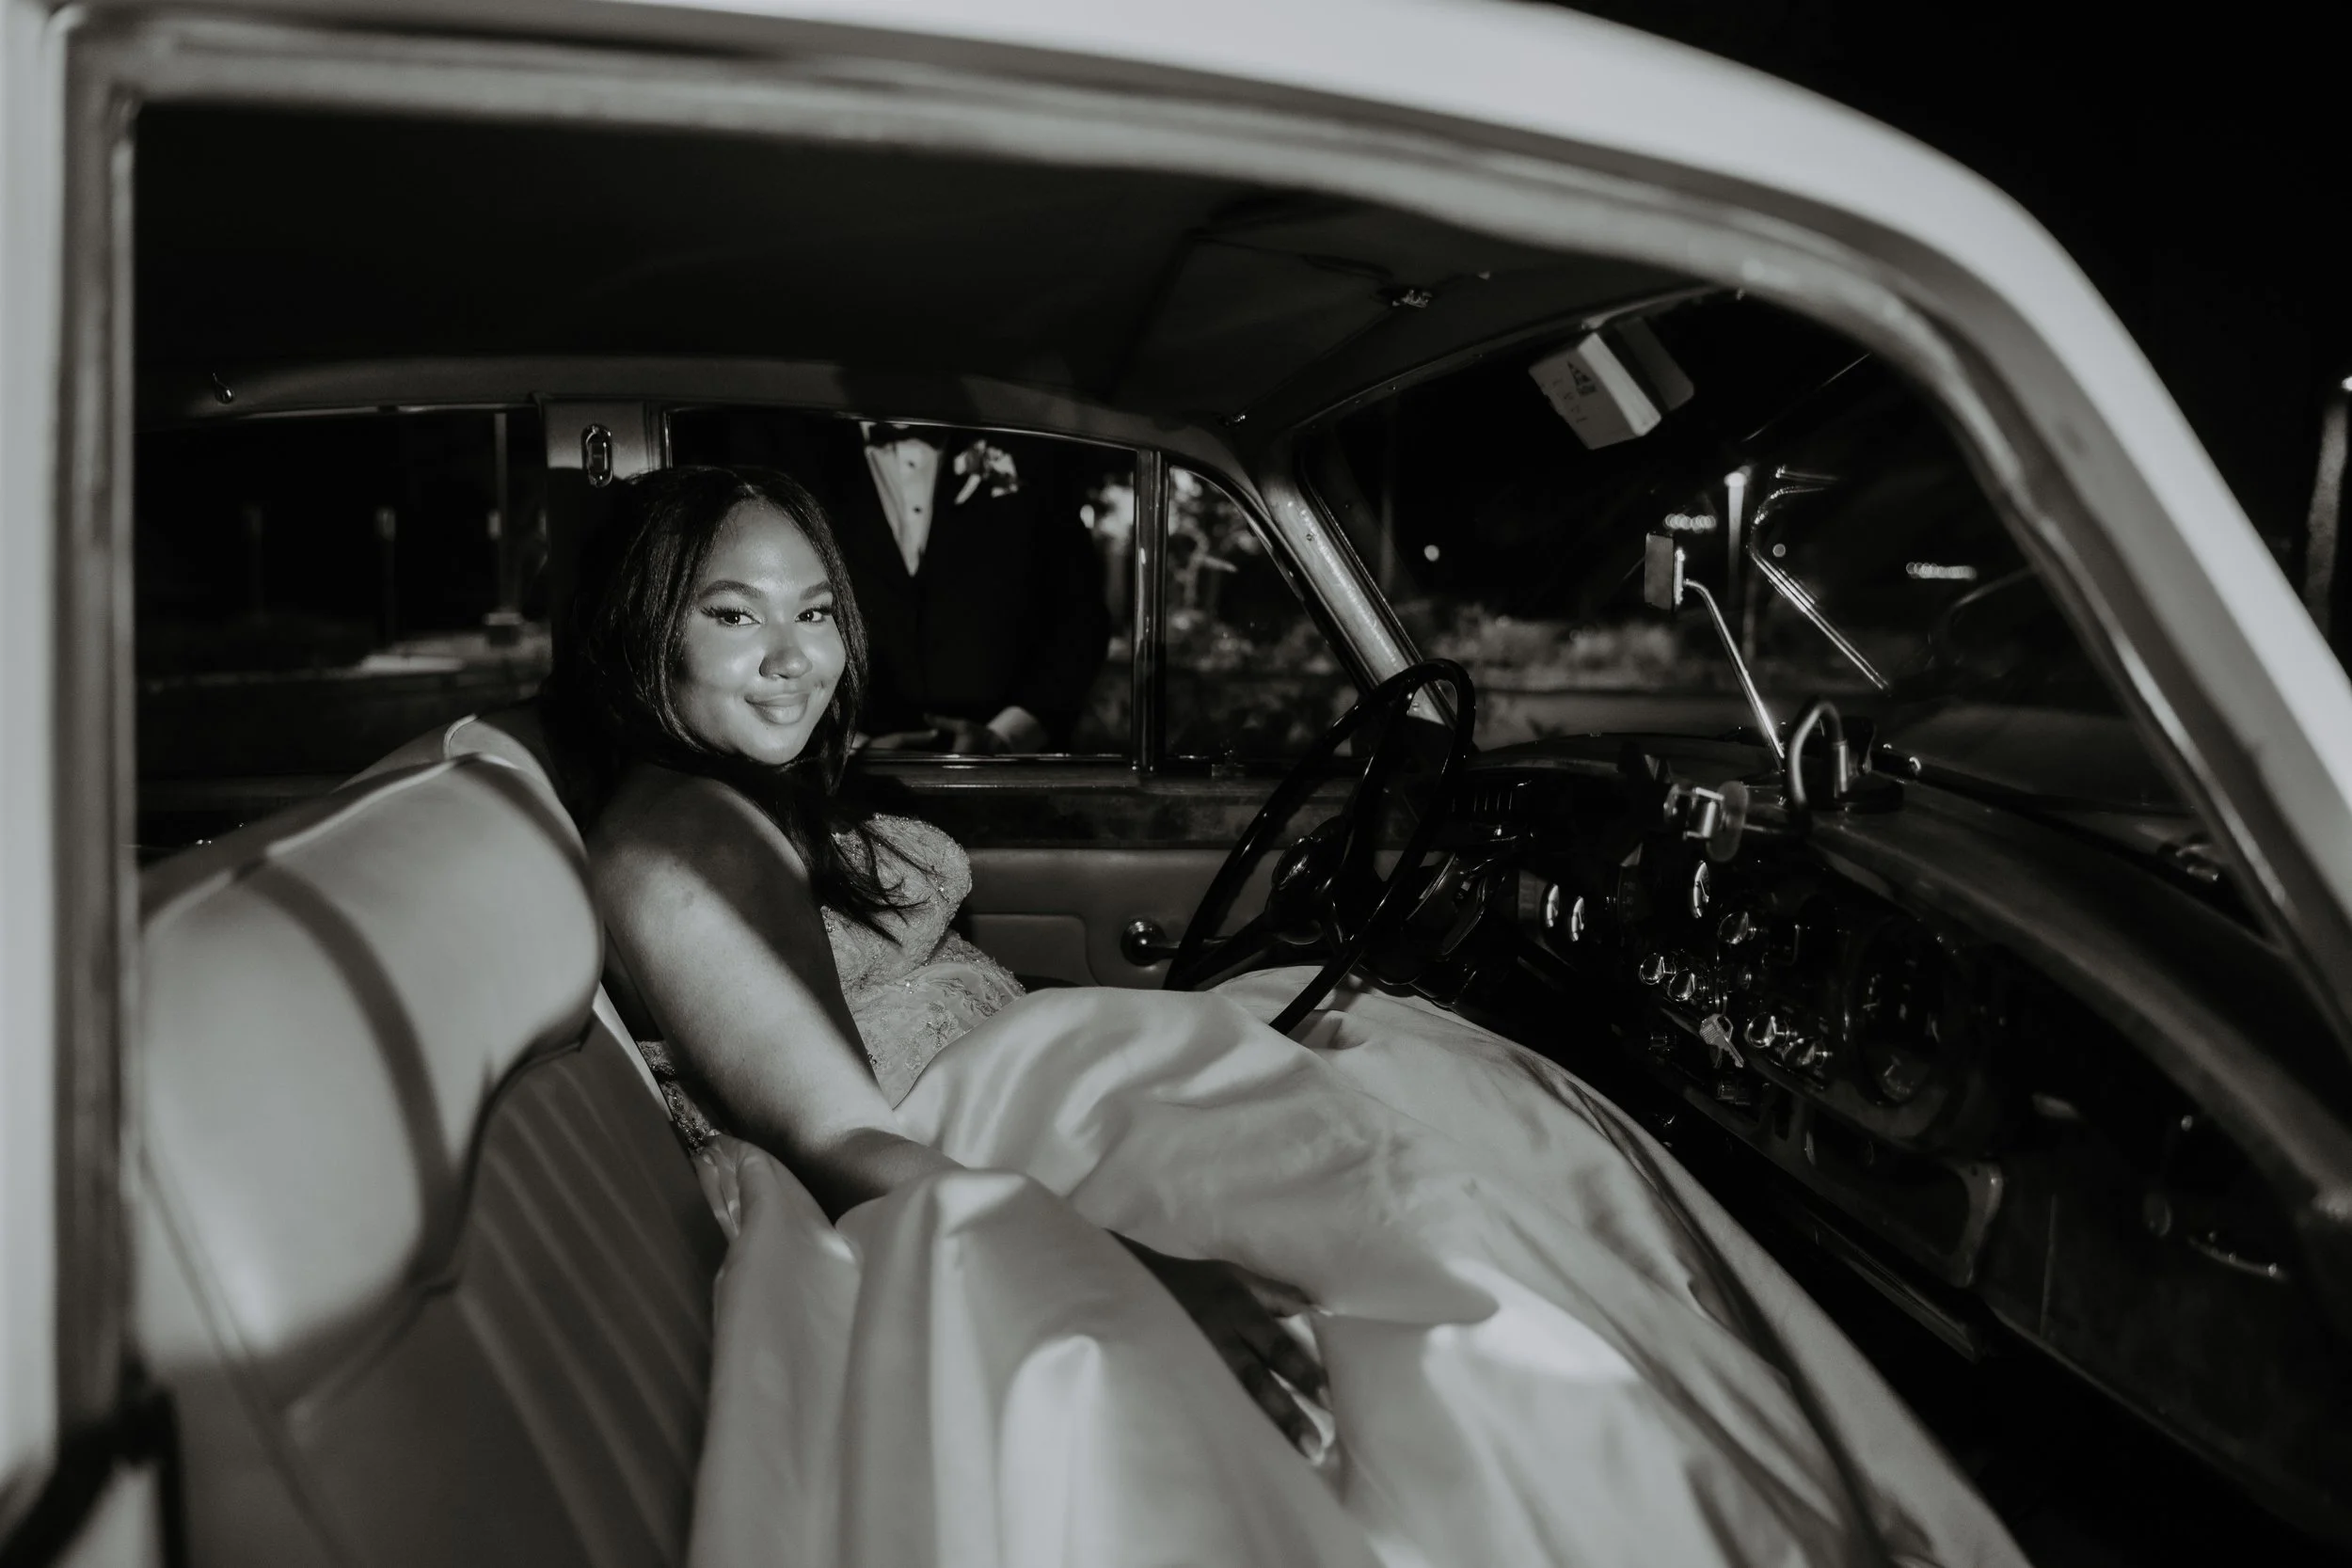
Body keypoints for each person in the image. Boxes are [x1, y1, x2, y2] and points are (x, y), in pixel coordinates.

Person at [541, 466, 2027, 1568]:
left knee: (1457, 1133)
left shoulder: (739, 800)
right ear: (643, 632)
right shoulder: (677, 843)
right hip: (1005, 1129)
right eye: (734, 615)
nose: (795, 654)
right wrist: (1134, 1273)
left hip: (1054, 1082)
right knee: (1445, 1221)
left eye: (814, 610)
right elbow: (841, 1133)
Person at [816, 419, 1110, 752]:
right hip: (840, 767)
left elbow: (1080, 614)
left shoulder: (1029, 443)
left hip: (1004, 769)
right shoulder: (795, 442)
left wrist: (1007, 735)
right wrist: (851, 747)